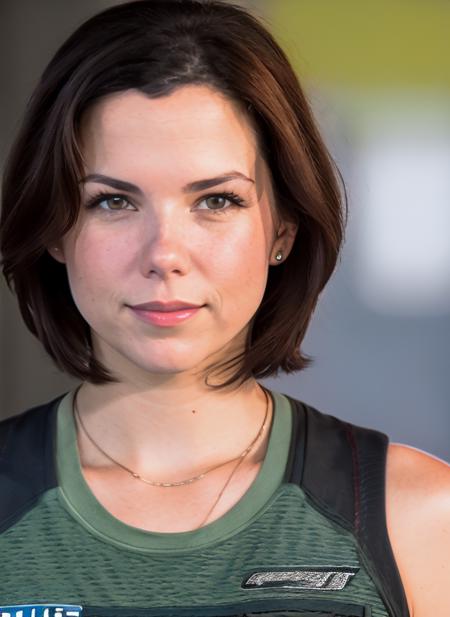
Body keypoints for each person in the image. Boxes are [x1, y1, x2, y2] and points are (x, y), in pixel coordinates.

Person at [0, 1, 448, 616]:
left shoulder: (421, 516)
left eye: (215, 200)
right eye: (112, 202)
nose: (165, 254)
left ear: (283, 227)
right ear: (54, 226)